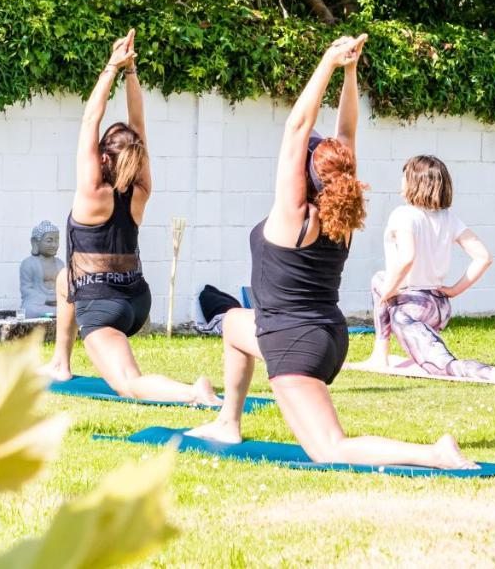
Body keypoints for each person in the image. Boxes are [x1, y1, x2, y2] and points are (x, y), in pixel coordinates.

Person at [188, 36, 476, 469]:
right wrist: (351, 72)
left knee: (328, 449)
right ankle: (228, 421)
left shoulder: (294, 217)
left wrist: (327, 63)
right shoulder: (338, 217)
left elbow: (296, 128)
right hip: (324, 334)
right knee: (232, 324)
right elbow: (346, 133)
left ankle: (434, 454)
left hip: (294, 343)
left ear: (304, 175)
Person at [44, 30, 219, 405]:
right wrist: (131, 70)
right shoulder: (141, 188)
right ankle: (60, 362)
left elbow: (90, 120)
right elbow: (138, 127)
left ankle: (194, 393)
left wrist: (112, 66)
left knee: (128, 384)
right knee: (64, 279)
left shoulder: (93, 191)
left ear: (103, 157)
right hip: (137, 299)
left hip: (104, 305)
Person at [359, 155, 495, 383]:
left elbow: (407, 258)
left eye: (404, 177)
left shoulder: (403, 214)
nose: (401, 182)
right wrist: (454, 290)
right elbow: (483, 257)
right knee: (379, 279)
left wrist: (389, 292)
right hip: (439, 304)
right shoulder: (448, 218)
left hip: (412, 308)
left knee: (444, 367)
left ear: (414, 182)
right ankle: (380, 355)